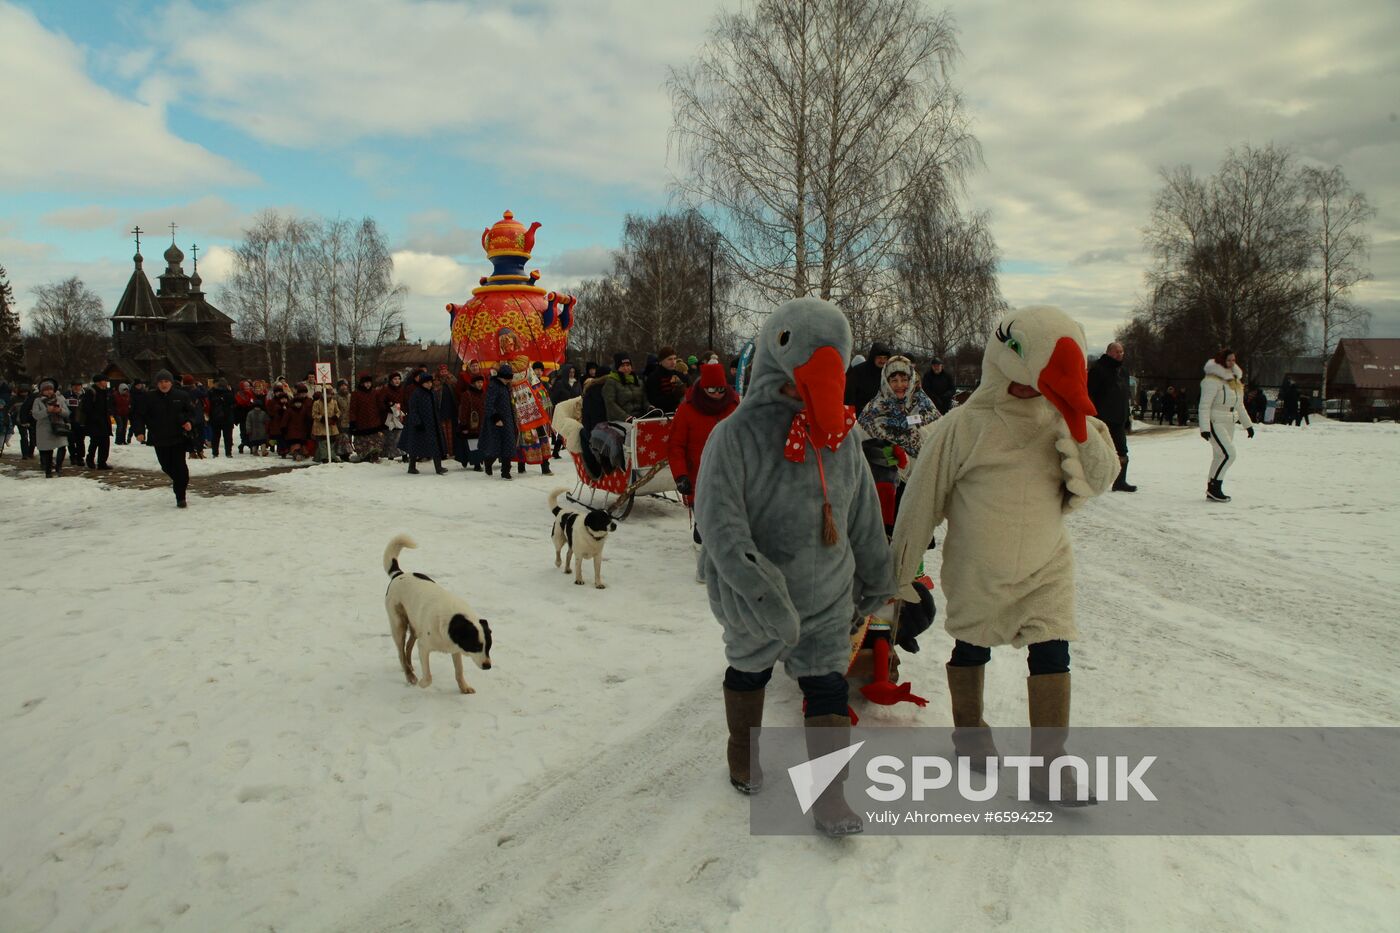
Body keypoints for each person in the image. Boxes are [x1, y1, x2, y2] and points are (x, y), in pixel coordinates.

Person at [892, 306, 1119, 806]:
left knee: (1053, 649)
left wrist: (1080, 425)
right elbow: (921, 497)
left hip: (1046, 565)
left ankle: (1050, 767)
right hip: (979, 567)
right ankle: (970, 734)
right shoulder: (964, 426)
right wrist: (900, 571)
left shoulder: (1062, 419)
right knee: (973, 646)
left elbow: (1101, 478)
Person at [696, 298, 895, 837]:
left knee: (827, 684)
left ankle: (830, 797)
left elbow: (863, 514)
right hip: (754, 591)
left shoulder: (844, 438)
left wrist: (878, 575)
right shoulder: (733, 436)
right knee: (749, 669)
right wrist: (759, 590)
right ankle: (744, 751)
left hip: (827, 591)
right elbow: (719, 524)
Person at [858, 356, 939, 535]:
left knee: (914, 543)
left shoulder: (925, 408)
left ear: (911, 379)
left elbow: (936, 444)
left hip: (919, 486)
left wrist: (908, 459)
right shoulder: (873, 411)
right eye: (893, 380)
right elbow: (858, 448)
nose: (899, 384)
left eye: (904, 379)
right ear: (885, 382)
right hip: (885, 495)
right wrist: (890, 455)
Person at [667, 362, 740, 533]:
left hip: (731, 476)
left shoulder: (734, 405)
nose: (717, 394)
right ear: (703, 387)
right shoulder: (687, 409)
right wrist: (680, 475)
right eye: (712, 390)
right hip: (699, 479)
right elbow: (675, 446)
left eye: (721, 390)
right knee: (706, 529)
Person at [1199, 348, 1254, 502]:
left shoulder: (1235, 380)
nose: (1231, 363)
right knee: (1229, 454)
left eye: (1233, 360)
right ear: (1221, 361)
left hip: (1230, 421)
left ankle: (1212, 487)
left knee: (1219, 456)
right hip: (1216, 420)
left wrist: (1247, 424)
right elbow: (1204, 405)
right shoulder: (1211, 380)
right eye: (1228, 360)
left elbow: (1239, 404)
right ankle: (1216, 486)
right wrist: (1205, 428)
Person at [135, 370, 196, 507]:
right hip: (159, 438)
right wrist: (139, 431)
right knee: (166, 466)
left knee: (180, 467)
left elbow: (192, 412)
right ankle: (179, 482)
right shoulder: (149, 397)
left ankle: (181, 497)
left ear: (171, 382)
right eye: (161, 382)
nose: (164, 384)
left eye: (166, 381)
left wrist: (189, 422)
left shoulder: (181, 395)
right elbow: (139, 416)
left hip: (178, 437)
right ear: (157, 383)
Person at [1087, 342, 1136, 492]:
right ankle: (1091, 481)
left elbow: (1125, 396)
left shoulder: (1123, 371)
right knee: (1098, 451)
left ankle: (1120, 481)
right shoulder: (1098, 369)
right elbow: (1091, 394)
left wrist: (1127, 417)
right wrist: (1092, 416)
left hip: (1119, 418)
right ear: (1108, 352)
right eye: (1116, 352)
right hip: (1102, 418)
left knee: (1122, 451)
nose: (1120, 354)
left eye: (1122, 352)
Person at [400, 371, 447, 474]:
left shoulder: (432, 393)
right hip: (419, 425)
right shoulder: (416, 394)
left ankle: (438, 467)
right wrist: (417, 422)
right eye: (427, 383)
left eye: (430, 382)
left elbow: (436, 408)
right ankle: (411, 467)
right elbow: (413, 409)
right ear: (422, 383)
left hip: (432, 424)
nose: (429, 384)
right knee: (415, 446)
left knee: (436, 445)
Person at [478, 364, 518, 479]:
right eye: (508, 378)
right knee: (495, 448)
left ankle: (505, 472)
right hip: (496, 421)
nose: (509, 380)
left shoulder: (505, 386)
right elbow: (488, 404)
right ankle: (488, 462)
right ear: (502, 377)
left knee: (509, 446)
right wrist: (496, 418)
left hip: (508, 420)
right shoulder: (494, 386)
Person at [33, 379, 72, 477]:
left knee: (62, 446)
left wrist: (59, 410)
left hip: (59, 426)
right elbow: (35, 415)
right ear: (42, 391)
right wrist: (47, 411)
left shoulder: (60, 399)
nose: (49, 391)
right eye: (46, 390)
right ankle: (48, 471)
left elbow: (67, 413)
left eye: (50, 389)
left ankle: (59, 467)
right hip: (44, 428)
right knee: (48, 450)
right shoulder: (37, 401)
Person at [347, 373, 386, 463]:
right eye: (366, 383)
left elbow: (380, 405)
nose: (368, 384)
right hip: (361, 422)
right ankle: (365, 455)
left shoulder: (375, 392)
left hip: (374, 421)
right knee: (363, 440)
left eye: (369, 382)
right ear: (362, 384)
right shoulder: (356, 394)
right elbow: (352, 409)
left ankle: (375, 455)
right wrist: (352, 421)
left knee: (376, 440)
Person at [843, 341, 892, 412]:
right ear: (873, 357)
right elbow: (849, 396)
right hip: (860, 413)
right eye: (879, 357)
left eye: (885, 358)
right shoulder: (858, 371)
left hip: (882, 414)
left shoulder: (889, 373)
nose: (882, 361)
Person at [80, 374, 114, 469]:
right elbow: (86, 408)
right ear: (99, 382)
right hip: (94, 422)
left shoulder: (105, 392)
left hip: (105, 421)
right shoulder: (91, 392)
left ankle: (102, 462)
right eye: (104, 381)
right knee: (95, 442)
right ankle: (90, 459)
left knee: (105, 443)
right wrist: (95, 417)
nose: (106, 382)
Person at [456, 363, 487, 470]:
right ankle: (476, 463)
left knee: (480, 443)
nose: (480, 384)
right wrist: (463, 425)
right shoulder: (467, 394)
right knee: (472, 444)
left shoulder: (483, 394)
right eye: (478, 382)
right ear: (473, 383)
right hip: (471, 424)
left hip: (481, 424)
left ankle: (478, 460)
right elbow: (463, 411)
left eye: (481, 382)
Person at [603, 354, 647, 420]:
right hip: (619, 421)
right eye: (622, 366)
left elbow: (644, 399)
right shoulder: (611, 382)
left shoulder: (638, 381)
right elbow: (610, 403)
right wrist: (625, 417)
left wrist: (649, 408)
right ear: (617, 368)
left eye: (628, 365)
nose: (626, 368)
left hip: (639, 418)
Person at [644, 346, 688, 414]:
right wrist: (674, 396)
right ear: (661, 361)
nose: (673, 362)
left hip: (681, 412)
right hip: (662, 415)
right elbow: (654, 401)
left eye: (675, 358)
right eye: (669, 359)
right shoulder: (653, 377)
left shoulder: (680, 375)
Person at [311, 385, 343, 463]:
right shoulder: (317, 403)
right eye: (327, 394)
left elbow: (338, 411)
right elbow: (314, 414)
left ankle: (330, 456)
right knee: (322, 442)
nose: (328, 396)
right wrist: (322, 419)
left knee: (331, 442)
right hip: (321, 426)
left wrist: (335, 417)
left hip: (331, 425)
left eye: (330, 394)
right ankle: (324, 458)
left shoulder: (334, 402)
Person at [207, 379, 236, 458]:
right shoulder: (229, 392)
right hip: (227, 417)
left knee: (215, 436)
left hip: (215, 417)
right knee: (228, 436)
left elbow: (209, 403)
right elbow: (233, 403)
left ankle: (215, 453)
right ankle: (228, 453)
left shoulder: (211, 392)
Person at [65, 380, 87, 466]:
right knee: (70, 441)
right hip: (70, 421)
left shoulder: (86, 395)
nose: (76, 387)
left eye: (78, 385)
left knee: (80, 440)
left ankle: (80, 457)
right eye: (74, 386)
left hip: (82, 421)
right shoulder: (67, 395)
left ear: (81, 386)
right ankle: (73, 457)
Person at [13, 383, 36, 458]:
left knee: (33, 437)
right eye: (22, 392)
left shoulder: (32, 398)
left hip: (31, 420)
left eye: (26, 391)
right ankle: (25, 454)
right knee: (24, 437)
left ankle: (30, 452)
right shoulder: (15, 399)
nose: (24, 393)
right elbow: (9, 409)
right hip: (20, 420)